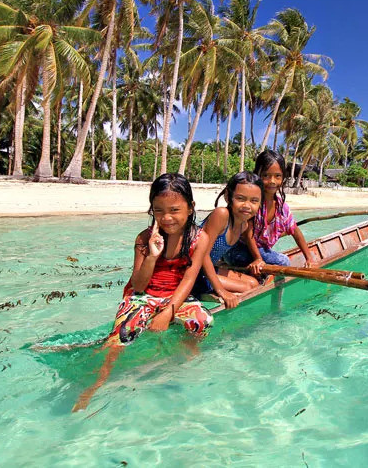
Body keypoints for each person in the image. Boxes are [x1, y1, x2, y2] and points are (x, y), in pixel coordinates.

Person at [73, 173, 212, 411]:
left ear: (190, 208)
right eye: (158, 210)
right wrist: (152, 255)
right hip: (143, 295)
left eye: (174, 210)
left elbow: (189, 279)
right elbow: (138, 285)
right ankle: (96, 383)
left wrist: (168, 313)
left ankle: (182, 357)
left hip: (175, 296)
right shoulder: (144, 238)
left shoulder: (199, 238)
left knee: (203, 322)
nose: (166, 217)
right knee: (121, 337)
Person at [227, 150, 316, 273]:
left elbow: (295, 231)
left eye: (277, 176)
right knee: (283, 261)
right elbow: (248, 234)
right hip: (237, 249)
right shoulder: (253, 202)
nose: (272, 181)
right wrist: (258, 258)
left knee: (273, 259)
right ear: (258, 175)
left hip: (258, 251)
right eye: (266, 176)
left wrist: (309, 258)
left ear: (283, 178)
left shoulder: (282, 207)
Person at [193, 172, 262, 308]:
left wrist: (258, 258)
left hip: (209, 268)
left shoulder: (244, 225)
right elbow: (201, 253)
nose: (247, 205)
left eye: (254, 201)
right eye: (241, 198)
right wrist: (221, 290)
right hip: (193, 272)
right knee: (247, 288)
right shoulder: (221, 215)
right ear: (228, 197)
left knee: (254, 283)